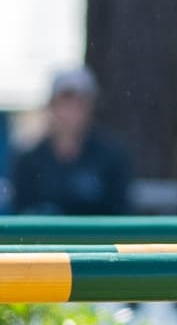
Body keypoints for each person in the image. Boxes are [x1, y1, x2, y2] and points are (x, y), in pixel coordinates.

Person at [8, 68, 133, 217]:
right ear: (52, 106)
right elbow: (21, 213)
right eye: (65, 103)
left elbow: (120, 213)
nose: (71, 112)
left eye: (79, 105)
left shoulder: (112, 157)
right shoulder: (28, 159)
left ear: (90, 108)